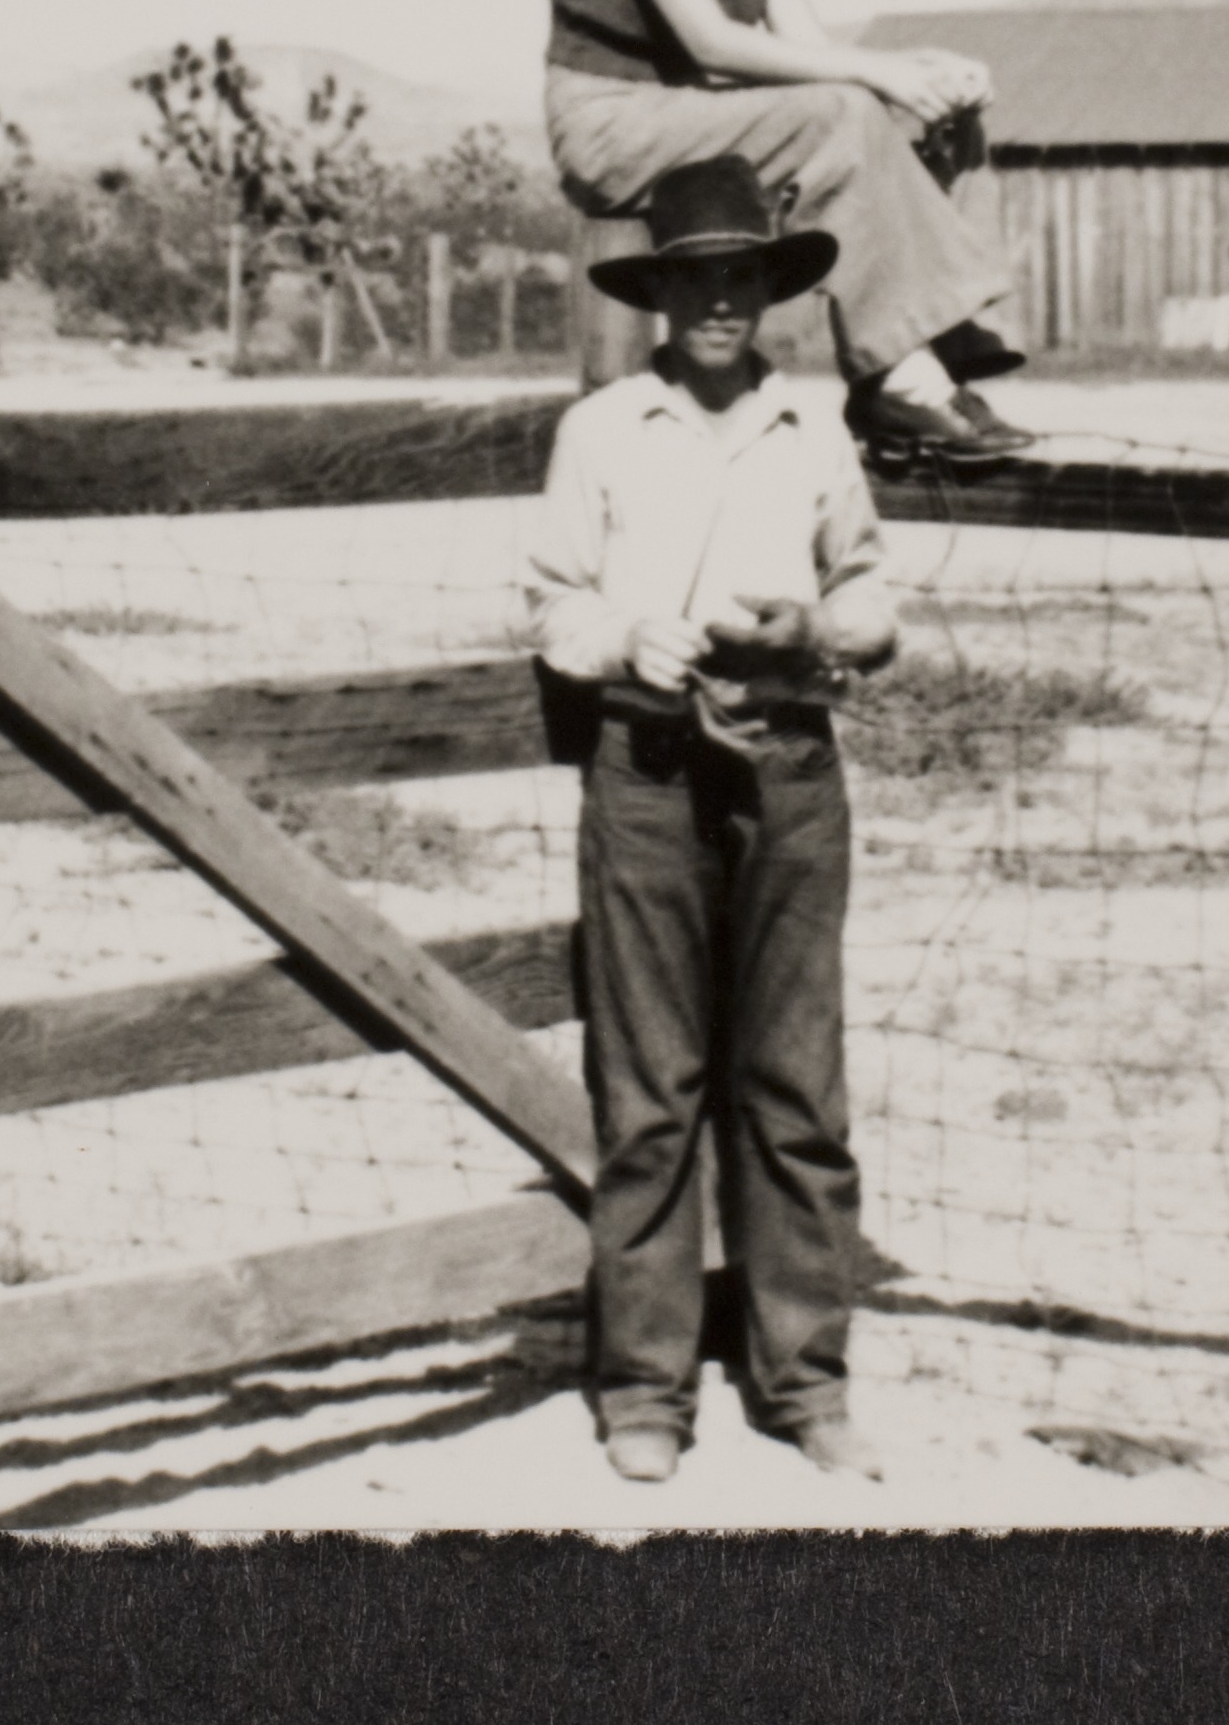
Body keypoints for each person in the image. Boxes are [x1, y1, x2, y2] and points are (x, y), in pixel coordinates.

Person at [520, 154, 906, 1485]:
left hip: (792, 768)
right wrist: (633, 638)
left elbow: (872, 598)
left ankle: (805, 1381)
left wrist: (816, 628)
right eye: (697, 279)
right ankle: (644, 1387)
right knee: (650, 1094)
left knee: (795, 1084)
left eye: (742, 275)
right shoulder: (605, 431)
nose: (721, 302)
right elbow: (552, 603)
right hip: (647, 769)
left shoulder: (816, 432)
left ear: (769, 289)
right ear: (662, 296)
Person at [543, 0, 1030, 466]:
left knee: (940, 115)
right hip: (615, 121)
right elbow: (713, 42)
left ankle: (945, 344)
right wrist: (878, 71)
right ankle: (902, 374)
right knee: (848, 105)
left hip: (705, 114)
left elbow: (803, 46)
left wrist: (923, 74)